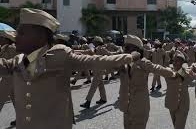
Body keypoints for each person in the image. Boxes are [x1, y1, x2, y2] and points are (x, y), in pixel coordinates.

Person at [0, 8, 133, 129]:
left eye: (22, 33)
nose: (15, 37)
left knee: (97, 84)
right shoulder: (17, 61)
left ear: (40, 36)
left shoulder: (60, 56)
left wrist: (130, 57)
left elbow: (97, 61)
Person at [118, 35, 176, 129]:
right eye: (125, 47)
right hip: (126, 107)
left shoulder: (143, 63)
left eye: (128, 47)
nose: (125, 50)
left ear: (136, 50)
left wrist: (174, 73)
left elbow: (158, 69)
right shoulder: (123, 63)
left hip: (139, 108)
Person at [165, 50, 196, 129]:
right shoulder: (168, 71)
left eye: (178, 61)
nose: (175, 62)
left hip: (183, 104)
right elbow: (174, 75)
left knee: (179, 127)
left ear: (183, 63)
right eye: (174, 60)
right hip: (171, 103)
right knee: (175, 125)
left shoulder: (187, 72)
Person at [79, 36, 121, 109]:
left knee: (93, 85)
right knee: (100, 84)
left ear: (98, 42)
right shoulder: (96, 48)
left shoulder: (102, 49)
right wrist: (77, 51)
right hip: (96, 69)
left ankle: (88, 102)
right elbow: (88, 52)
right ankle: (103, 99)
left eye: (95, 41)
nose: (93, 42)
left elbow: (110, 55)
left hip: (100, 69)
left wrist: (117, 52)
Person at [0, 30, 18, 126]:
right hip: (8, 78)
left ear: (6, 39)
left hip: (10, 78)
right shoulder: (4, 48)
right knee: (16, 100)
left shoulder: (12, 48)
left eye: (1, 38)